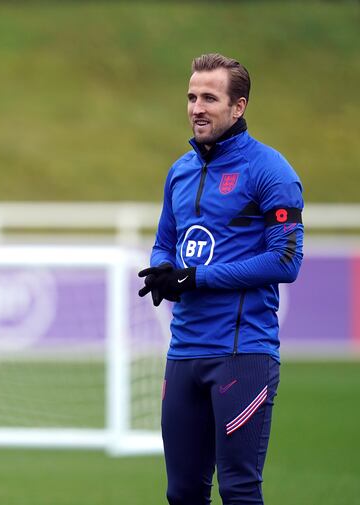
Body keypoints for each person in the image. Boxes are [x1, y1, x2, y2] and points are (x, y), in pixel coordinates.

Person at [138, 53, 304, 504]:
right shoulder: (180, 170)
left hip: (242, 355)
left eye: (210, 97)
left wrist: (197, 278)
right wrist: (163, 270)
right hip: (184, 354)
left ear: (238, 106)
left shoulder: (271, 170)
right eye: (192, 97)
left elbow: (286, 260)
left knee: (239, 490)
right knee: (183, 493)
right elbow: (164, 241)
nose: (197, 107)